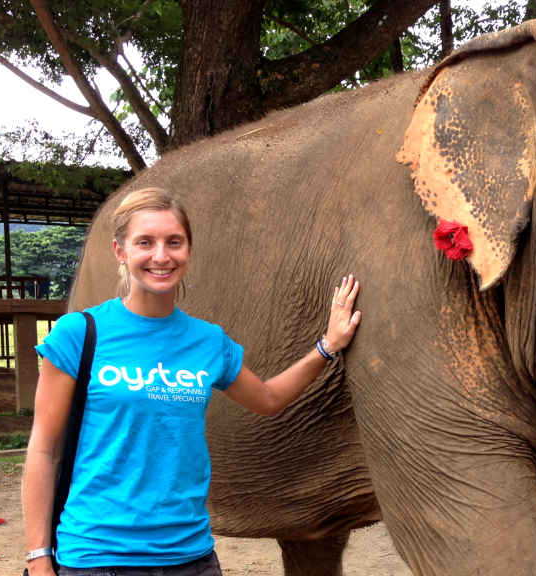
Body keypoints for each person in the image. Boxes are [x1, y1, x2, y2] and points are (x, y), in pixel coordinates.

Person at [21, 187, 361, 576]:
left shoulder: (208, 341)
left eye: (174, 242)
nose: (161, 256)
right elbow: (44, 450)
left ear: (188, 251)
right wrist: (39, 556)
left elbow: (268, 399)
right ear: (120, 251)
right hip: (99, 558)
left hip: (191, 558)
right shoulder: (78, 335)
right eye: (145, 242)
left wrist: (327, 345)